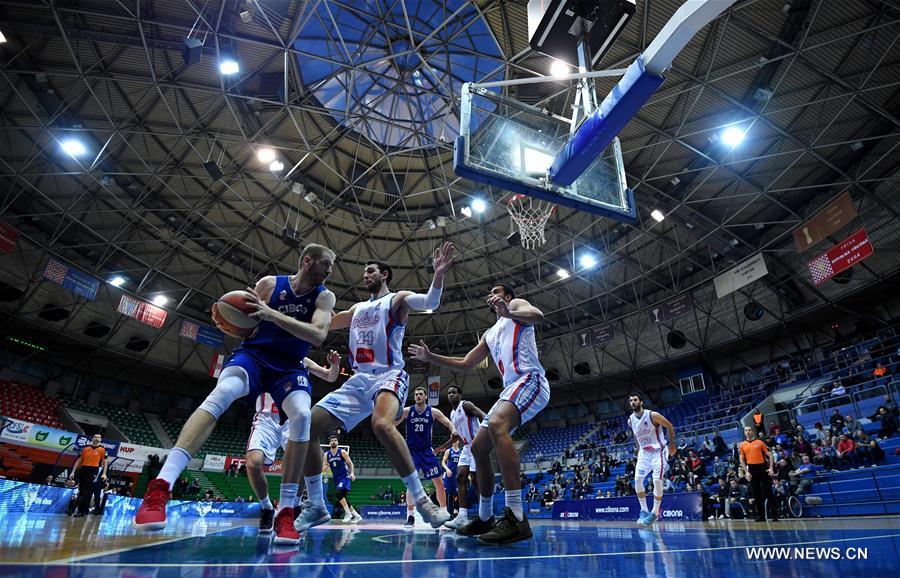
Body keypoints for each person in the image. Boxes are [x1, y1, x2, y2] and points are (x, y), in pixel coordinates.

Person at [133, 243, 336, 547]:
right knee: (222, 392)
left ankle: (285, 512)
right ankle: (160, 487)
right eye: (326, 265)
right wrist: (235, 322)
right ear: (308, 261)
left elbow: (318, 335)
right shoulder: (269, 284)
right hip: (253, 356)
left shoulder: (324, 296)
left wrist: (271, 314)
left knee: (303, 415)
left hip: (289, 367)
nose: (329, 271)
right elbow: (248, 321)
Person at [295, 243, 456, 533]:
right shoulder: (357, 308)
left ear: (384, 274)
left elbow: (430, 300)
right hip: (358, 380)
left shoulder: (398, 300)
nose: (365, 275)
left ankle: (422, 501)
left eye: (370, 270)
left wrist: (439, 275)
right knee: (305, 426)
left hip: (389, 374)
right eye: (364, 271)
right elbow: (326, 324)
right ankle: (317, 505)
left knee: (381, 424)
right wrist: (291, 313)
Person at [408, 284, 550, 545]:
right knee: (477, 448)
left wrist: (508, 311)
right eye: (490, 292)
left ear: (507, 296)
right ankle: (485, 517)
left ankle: (517, 516)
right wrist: (431, 357)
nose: (492, 294)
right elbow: (466, 363)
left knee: (497, 426)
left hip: (530, 380)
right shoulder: (489, 333)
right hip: (511, 389)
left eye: (498, 291)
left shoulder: (517, 306)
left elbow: (538, 316)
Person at [247, 352, 341, 534]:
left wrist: (335, 364)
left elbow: (330, 376)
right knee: (253, 464)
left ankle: (294, 508)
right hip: (266, 419)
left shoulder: (302, 360)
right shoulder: (261, 355)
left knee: (302, 461)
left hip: (292, 418)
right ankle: (266, 507)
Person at [395, 385, 457, 526]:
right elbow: (392, 424)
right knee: (411, 484)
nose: (418, 396)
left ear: (425, 396)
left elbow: (448, 422)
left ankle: (444, 513)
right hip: (411, 452)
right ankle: (410, 517)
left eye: (420, 394)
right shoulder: (407, 411)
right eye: (416, 394)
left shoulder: (433, 412)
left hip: (427, 452)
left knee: (439, 483)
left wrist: (453, 429)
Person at [625, 392, 676, 526]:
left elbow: (669, 425)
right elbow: (636, 436)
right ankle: (644, 511)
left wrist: (672, 445)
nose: (633, 402)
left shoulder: (653, 415)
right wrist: (638, 449)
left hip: (658, 451)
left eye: (635, 400)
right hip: (644, 453)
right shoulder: (630, 420)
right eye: (631, 401)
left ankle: (654, 513)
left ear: (641, 402)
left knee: (657, 480)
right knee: (637, 480)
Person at [442, 384, 485, 530]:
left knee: (476, 481)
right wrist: (442, 448)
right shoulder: (452, 414)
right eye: (449, 393)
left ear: (460, 395)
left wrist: (486, 434)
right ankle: (462, 517)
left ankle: (484, 517)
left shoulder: (466, 405)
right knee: (460, 477)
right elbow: (457, 436)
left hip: (477, 444)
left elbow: (482, 415)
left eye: (454, 392)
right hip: (466, 447)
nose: (451, 395)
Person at [739, 425, 778, 522]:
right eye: (746, 430)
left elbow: (770, 455)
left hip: (762, 468)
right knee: (756, 494)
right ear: (744, 432)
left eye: (749, 430)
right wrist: (746, 472)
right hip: (752, 469)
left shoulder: (760, 442)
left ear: (752, 432)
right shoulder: (742, 445)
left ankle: (774, 515)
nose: (747, 432)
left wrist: (771, 468)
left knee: (768, 491)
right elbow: (741, 459)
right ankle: (760, 516)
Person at [323, 434, 362, 523]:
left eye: (335, 440)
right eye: (332, 440)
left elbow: (350, 463)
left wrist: (352, 473)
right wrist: (325, 468)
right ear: (329, 443)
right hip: (336, 478)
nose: (333, 441)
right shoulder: (326, 454)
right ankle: (357, 516)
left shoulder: (342, 452)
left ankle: (348, 513)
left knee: (338, 493)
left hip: (344, 476)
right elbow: (324, 466)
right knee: (342, 497)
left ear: (337, 442)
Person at [69, 434, 108, 518]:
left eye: (99, 437)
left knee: (85, 490)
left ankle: (72, 508)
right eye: (95, 437)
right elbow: (79, 460)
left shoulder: (102, 449)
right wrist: (73, 471)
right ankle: (81, 512)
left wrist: (104, 473)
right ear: (92, 438)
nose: (97, 438)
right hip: (83, 469)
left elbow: (105, 462)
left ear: (100, 439)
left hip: (93, 470)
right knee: (82, 491)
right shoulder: (85, 448)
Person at [441, 439, 462, 518]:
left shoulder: (461, 452)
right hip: (450, 476)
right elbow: (443, 462)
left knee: (458, 494)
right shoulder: (448, 451)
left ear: (458, 441)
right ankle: (449, 514)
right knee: (450, 495)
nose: (454, 441)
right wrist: (447, 469)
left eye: (456, 440)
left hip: (458, 475)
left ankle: (456, 512)